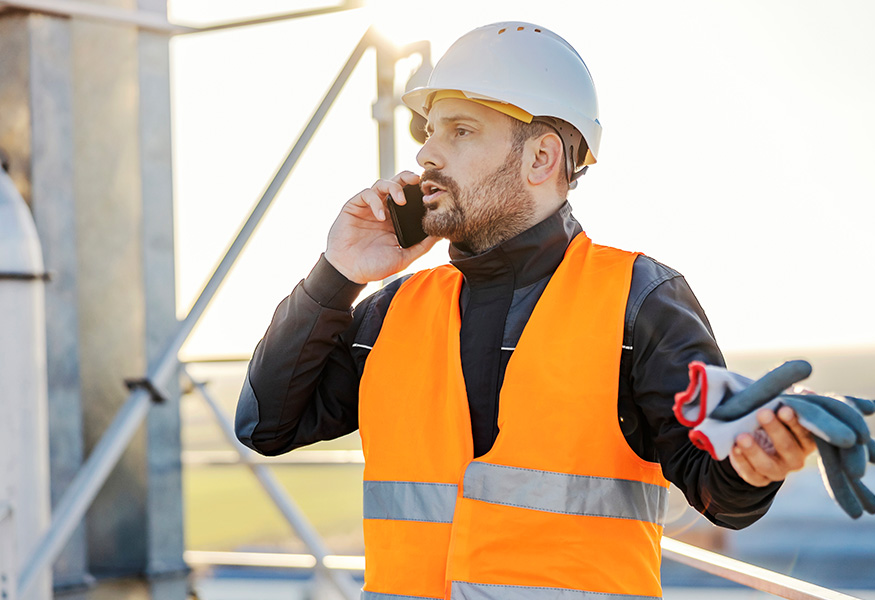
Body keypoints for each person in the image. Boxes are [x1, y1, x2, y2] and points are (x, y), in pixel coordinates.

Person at [236, 21, 817, 600]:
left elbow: (716, 487)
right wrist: (337, 275)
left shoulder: (639, 299)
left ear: (541, 158)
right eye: (431, 131)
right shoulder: (391, 311)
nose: (426, 153)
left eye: (460, 131)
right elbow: (266, 426)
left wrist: (754, 463)